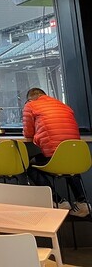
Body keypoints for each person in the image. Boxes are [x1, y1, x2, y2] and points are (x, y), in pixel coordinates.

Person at [23, 87, 88, 217]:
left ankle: (58, 201)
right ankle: (82, 203)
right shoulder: (63, 105)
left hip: (54, 157)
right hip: (76, 155)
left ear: (30, 99)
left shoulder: (30, 106)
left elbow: (28, 133)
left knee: (28, 164)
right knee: (70, 167)